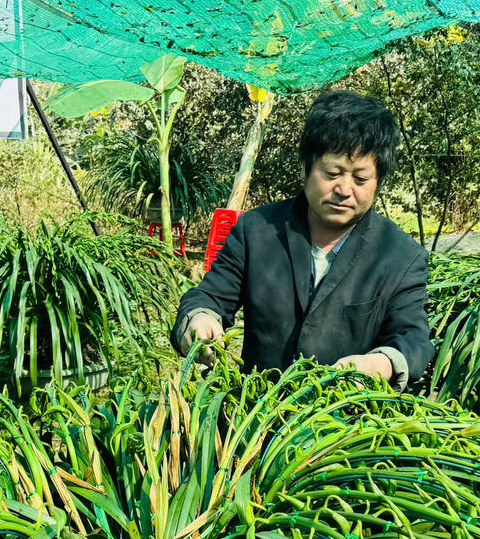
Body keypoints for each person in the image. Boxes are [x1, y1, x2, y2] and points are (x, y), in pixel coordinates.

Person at [171, 90, 433, 390]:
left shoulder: (401, 256)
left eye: (360, 179)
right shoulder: (256, 231)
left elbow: (413, 339)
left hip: (348, 426)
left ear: (378, 183)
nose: (344, 189)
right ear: (305, 168)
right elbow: (210, 296)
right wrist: (199, 320)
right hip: (257, 418)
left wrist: (379, 364)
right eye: (332, 173)